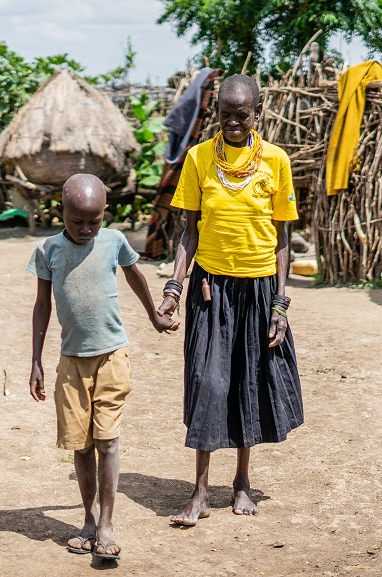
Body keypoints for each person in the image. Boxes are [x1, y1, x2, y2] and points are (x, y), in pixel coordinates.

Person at [158, 74, 304, 526]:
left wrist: (280, 302)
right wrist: (174, 288)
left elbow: (282, 239)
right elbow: (189, 231)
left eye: (242, 114)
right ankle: (200, 492)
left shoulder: (276, 162)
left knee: (248, 384)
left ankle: (241, 482)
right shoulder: (199, 158)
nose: (233, 122)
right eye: (225, 114)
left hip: (259, 290)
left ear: (257, 113)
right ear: (217, 114)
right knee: (208, 382)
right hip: (210, 288)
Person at [27, 174, 178, 560]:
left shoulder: (113, 241)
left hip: (112, 355)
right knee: (81, 445)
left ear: (104, 214)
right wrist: (35, 361)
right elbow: (42, 305)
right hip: (71, 361)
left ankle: (107, 525)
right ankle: (89, 520)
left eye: (93, 221)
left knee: (107, 440)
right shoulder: (48, 250)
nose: (85, 229)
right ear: (61, 211)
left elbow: (136, 277)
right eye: (77, 221)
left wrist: (154, 317)